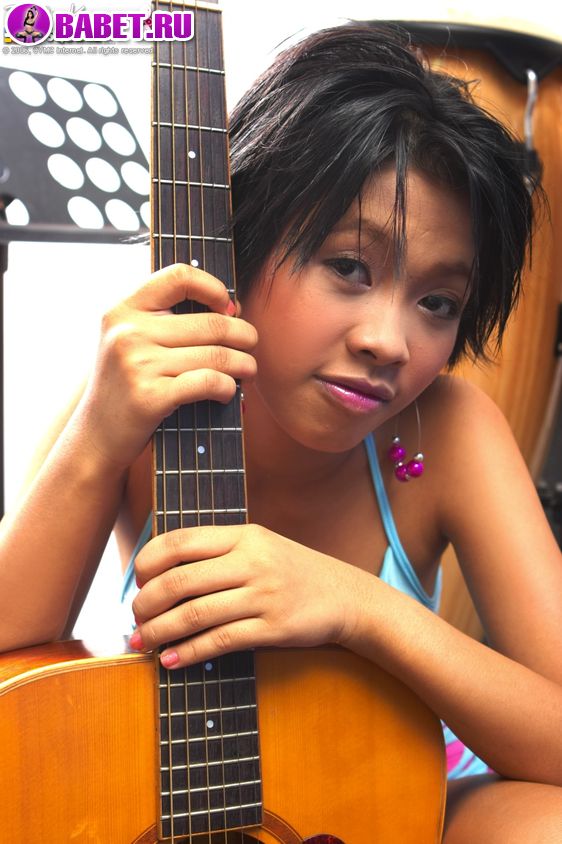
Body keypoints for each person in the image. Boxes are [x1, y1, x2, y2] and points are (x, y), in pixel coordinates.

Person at [0, 22, 561, 843]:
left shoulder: (447, 428)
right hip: (181, 799)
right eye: (349, 267)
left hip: (391, 800)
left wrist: (356, 606)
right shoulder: (138, 397)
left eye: (438, 302)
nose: (389, 341)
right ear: (240, 240)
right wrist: (96, 437)